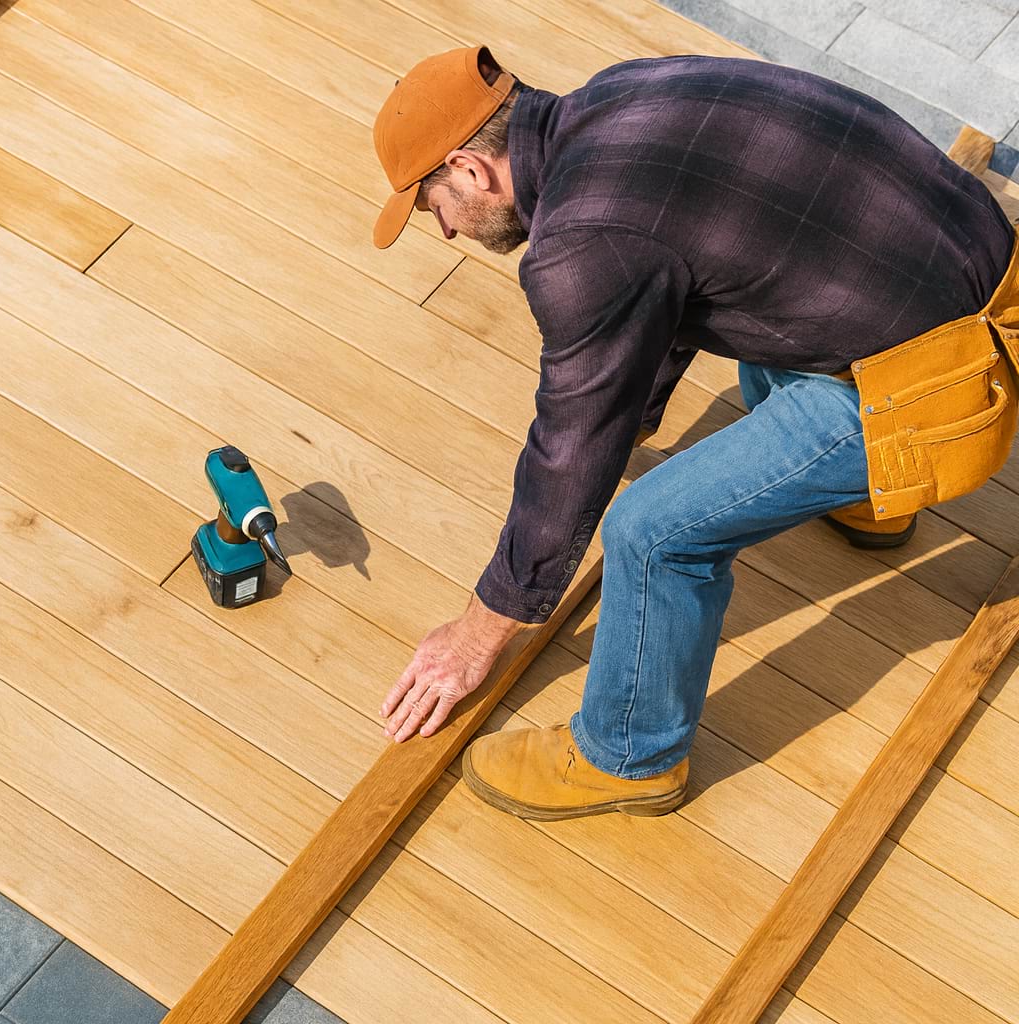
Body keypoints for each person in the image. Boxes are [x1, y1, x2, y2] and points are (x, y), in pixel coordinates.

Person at [371, 46, 1019, 820]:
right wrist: (630, 414)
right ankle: (871, 502)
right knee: (759, 321)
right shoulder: (624, 92)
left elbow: (568, 448)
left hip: (947, 384)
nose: (442, 229)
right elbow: (666, 286)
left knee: (653, 532)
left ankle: (628, 758)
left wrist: (482, 629)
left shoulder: (581, 244)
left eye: (428, 203)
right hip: (982, 261)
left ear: (470, 168)